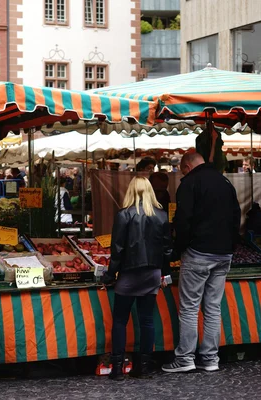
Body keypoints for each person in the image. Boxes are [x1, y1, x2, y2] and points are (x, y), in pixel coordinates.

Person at [162, 153, 241, 373]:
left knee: (189, 308)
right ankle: (210, 358)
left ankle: (186, 358)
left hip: (198, 253)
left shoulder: (190, 183)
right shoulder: (225, 182)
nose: (181, 175)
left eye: (181, 171)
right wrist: (231, 246)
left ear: (187, 167)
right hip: (223, 254)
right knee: (213, 308)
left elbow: (183, 220)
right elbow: (237, 216)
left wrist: (179, 249)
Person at [101, 177, 172, 380]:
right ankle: (144, 368)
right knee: (147, 320)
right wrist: (164, 273)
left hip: (129, 274)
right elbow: (167, 249)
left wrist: (109, 274)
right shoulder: (161, 215)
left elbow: (117, 249)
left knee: (120, 320)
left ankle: (117, 369)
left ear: (131, 192)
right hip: (152, 274)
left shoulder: (124, 215)